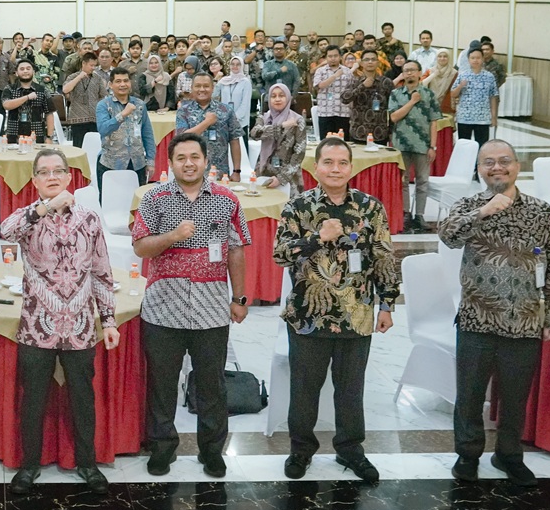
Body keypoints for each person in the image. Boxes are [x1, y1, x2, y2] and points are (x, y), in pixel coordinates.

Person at [438, 139, 550, 486]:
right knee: (469, 395)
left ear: (517, 166)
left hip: (524, 320)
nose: (497, 168)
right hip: (477, 319)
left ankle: (508, 454)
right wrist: (482, 212)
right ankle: (467, 455)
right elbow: (447, 236)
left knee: (514, 396)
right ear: (479, 169)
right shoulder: (468, 205)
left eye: (504, 161)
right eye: (488, 162)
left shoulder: (540, 212)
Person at [271, 136, 398, 485]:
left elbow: (383, 258)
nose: (335, 169)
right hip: (308, 316)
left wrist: (387, 303)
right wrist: (318, 238)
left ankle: (350, 449)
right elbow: (280, 255)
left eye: (342, 163)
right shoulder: (298, 207)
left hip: (356, 315)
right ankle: (300, 449)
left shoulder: (370, 207)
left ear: (351, 168)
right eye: (328, 162)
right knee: (305, 388)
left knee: (351, 390)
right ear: (316, 167)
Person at [131, 134, 251, 478]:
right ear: (171, 163)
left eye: (194, 156)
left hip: (211, 309)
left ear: (205, 160)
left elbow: (237, 249)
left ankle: (212, 451)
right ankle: (162, 448)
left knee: (212, 384)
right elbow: (141, 248)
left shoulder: (227, 199)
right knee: (162, 383)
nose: (188, 163)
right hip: (162, 308)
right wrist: (172, 237)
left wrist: (239, 298)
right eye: (180, 157)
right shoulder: (154, 197)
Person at [0, 148, 119, 494]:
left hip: (81, 326)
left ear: (70, 177)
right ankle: (28, 465)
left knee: (83, 397)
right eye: (43, 172)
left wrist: (108, 320)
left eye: (58, 171)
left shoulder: (90, 219)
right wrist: (45, 208)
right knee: (33, 398)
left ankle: (87, 463)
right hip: (38, 325)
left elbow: (101, 272)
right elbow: (6, 231)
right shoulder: (27, 217)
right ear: (34, 181)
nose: (51, 177)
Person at [94, 65, 155, 195]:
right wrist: (123, 114)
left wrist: (150, 161)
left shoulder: (139, 104)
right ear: (110, 84)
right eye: (118, 81)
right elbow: (103, 129)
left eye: (126, 81)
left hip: (137, 162)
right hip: (111, 163)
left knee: (136, 203)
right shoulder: (103, 105)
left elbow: (147, 133)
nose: (123, 84)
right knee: (110, 203)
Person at [175, 74, 243, 182]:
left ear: (212, 88)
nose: (202, 89)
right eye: (198, 86)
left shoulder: (226, 110)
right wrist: (207, 122)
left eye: (206, 86)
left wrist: (237, 171)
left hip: (220, 173)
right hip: (191, 171)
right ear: (192, 88)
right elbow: (182, 137)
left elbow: (235, 141)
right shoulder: (184, 111)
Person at [249, 83, 306, 189]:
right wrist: (281, 127)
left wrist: (281, 178)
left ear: (288, 97)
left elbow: (299, 153)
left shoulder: (297, 120)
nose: (277, 99)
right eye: (273, 96)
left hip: (288, 177)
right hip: (264, 172)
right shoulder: (264, 117)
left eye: (281, 95)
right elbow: (255, 134)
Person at [450, 46, 499, 162]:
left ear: (482, 59)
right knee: (464, 146)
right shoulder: (462, 75)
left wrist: (493, 117)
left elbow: (493, 97)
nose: (475, 60)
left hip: (483, 118)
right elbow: (452, 94)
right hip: (465, 118)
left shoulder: (489, 76)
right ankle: (464, 170)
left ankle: (479, 172)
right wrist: (461, 86)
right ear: (468, 60)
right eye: (472, 58)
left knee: (482, 146)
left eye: (478, 58)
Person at [62, 47, 109, 148]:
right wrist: (79, 77)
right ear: (84, 64)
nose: (93, 68)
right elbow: (65, 90)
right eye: (91, 65)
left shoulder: (97, 78)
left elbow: (104, 96)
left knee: (93, 148)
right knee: (78, 147)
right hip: (77, 119)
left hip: (94, 118)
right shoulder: (72, 77)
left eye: (95, 66)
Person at [344, 49, 393, 146]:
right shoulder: (355, 81)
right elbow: (344, 99)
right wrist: (362, 86)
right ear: (361, 63)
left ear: (378, 62)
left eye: (373, 59)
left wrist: (391, 131)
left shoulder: (386, 82)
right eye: (366, 60)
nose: (370, 62)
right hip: (358, 132)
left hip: (379, 133)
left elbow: (392, 108)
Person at [1, 59, 54, 143]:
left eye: (28, 69)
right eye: (22, 69)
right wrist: (27, 97)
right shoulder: (9, 89)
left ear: (33, 71)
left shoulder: (42, 90)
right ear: (16, 73)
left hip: (36, 135)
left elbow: (49, 113)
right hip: (14, 135)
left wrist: (49, 137)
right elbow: (6, 105)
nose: (25, 71)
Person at [424, 48, 456, 113]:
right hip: (431, 105)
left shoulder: (454, 73)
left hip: (447, 107)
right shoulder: (430, 71)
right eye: (440, 56)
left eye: (445, 56)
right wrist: (433, 75)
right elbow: (421, 85)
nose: (442, 58)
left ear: (449, 58)